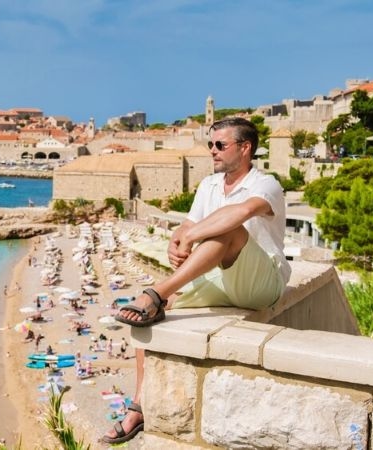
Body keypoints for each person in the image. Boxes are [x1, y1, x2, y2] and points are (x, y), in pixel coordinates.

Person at [102, 118, 291, 445]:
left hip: (261, 284)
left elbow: (241, 213)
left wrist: (191, 236)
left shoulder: (266, 184)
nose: (212, 151)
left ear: (245, 148)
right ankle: (139, 405)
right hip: (219, 279)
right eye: (210, 145)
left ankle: (158, 291)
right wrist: (176, 242)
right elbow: (187, 223)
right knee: (149, 318)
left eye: (220, 145)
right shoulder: (209, 185)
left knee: (230, 228)